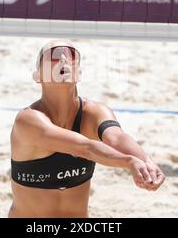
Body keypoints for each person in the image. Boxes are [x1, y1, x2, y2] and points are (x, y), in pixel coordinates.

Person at [9, 40, 165, 217]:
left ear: (79, 74)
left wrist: (145, 160)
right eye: (53, 56)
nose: (62, 59)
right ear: (37, 76)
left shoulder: (94, 112)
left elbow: (116, 138)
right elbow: (85, 148)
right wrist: (129, 161)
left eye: (71, 55)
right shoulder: (28, 120)